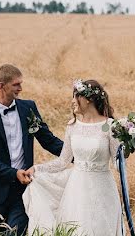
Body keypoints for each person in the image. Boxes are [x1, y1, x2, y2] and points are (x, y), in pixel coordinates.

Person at [0, 64, 64, 235]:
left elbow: (47, 139)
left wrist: (76, 153)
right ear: (1, 85)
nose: (21, 88)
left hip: (24, 187)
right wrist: (13, 173)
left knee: (16, 232)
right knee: (3, 233)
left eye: (21, 83)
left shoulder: (28, 108)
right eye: (16, 84)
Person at [24, 79, 123, 236]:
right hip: (76, 190)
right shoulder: (72, 125)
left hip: (102, 189)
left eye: (76, 96)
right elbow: (63, 161)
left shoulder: (110, 126)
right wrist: (37, 169)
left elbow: (118, 165)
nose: (72, 101)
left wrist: (127, 148)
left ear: (88, 99)